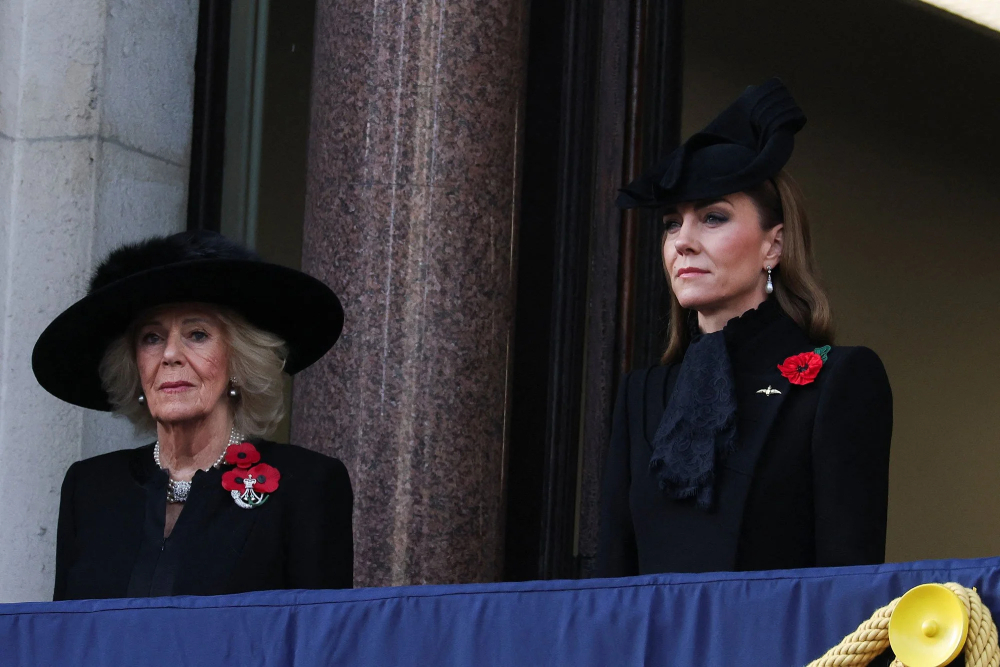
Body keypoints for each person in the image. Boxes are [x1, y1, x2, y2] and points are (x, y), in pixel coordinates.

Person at [595, 79, 892, 576]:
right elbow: (613, 578)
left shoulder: (838, 379)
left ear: (773, 246)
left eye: (713, 217)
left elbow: (849, 580)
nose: (682, 241)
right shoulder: (642, 393)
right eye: (671, 223)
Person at [34, 230, 354, 599]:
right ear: (135, 368)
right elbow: (64, 636)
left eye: (197, 334)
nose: (170, 354)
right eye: (151, 338)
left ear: (238, 361)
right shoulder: (90, 487)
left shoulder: (306, 484)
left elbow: (323, 644)